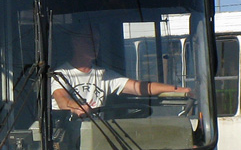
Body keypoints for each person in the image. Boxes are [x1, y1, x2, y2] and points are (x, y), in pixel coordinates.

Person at [52, 28, 190, 117]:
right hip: (67, 136)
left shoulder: (103, 75)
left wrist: (181, 89)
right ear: (75, 42)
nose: (96, 45)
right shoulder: (60, 74)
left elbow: (138, 88)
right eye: (91, 41)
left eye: (97, 41)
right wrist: (77, 108)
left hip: (96, 132)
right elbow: (61, 99)